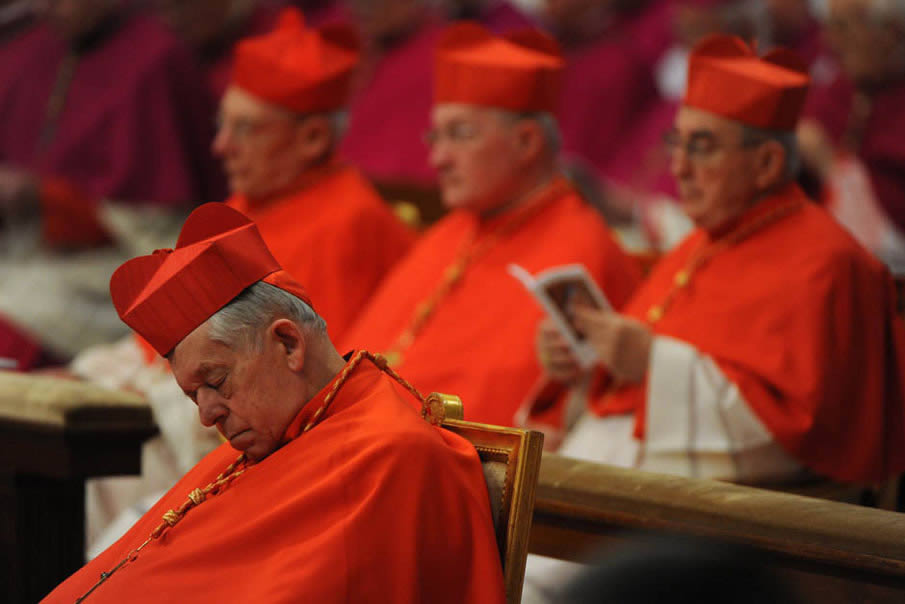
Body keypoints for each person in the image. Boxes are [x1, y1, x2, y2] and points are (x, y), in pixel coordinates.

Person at [520, 33, 905, 604]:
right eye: (677, 141)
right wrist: (581, 368)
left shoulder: (829, 263)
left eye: (702, 147)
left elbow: (793, 436)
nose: (678, 167)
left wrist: (650, 360)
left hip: (699, 524)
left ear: (769, 160)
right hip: (614, 485)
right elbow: (627, 393)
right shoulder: (700, 242)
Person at [42, 202, 506, 604]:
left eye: (216, 381)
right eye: (192, 395)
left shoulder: (390, 457)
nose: (206, 415)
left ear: (287, 343)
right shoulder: (267, 439)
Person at [74, 7, 414, 554]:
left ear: (309, 138)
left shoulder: (351, 222)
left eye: (246, 128)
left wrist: (114, 393)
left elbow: (300, 386)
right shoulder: (242, 207)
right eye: (222, 125)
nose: (221, 147)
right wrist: (97, 376)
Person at [341, 23, 641, 430]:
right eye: (436, 136)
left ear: (527, 142)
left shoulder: (580, 252)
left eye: (460, 134)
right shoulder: (449, 232)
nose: (438, 158)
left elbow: (523, 427)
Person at [0, 0, 224, 368]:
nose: (43, 8)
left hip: (124, 263)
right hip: (30, 254)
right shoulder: (28, 51)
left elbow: (163, 229)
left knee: (16, 308)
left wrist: (43, 197)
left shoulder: (156, 59)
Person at [799, 0, 905, 272]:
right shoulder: (840, 88)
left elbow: (892, 256)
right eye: (829, 25)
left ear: (893, 32)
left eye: (843, 26)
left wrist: (832, 169)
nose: (830, 40)